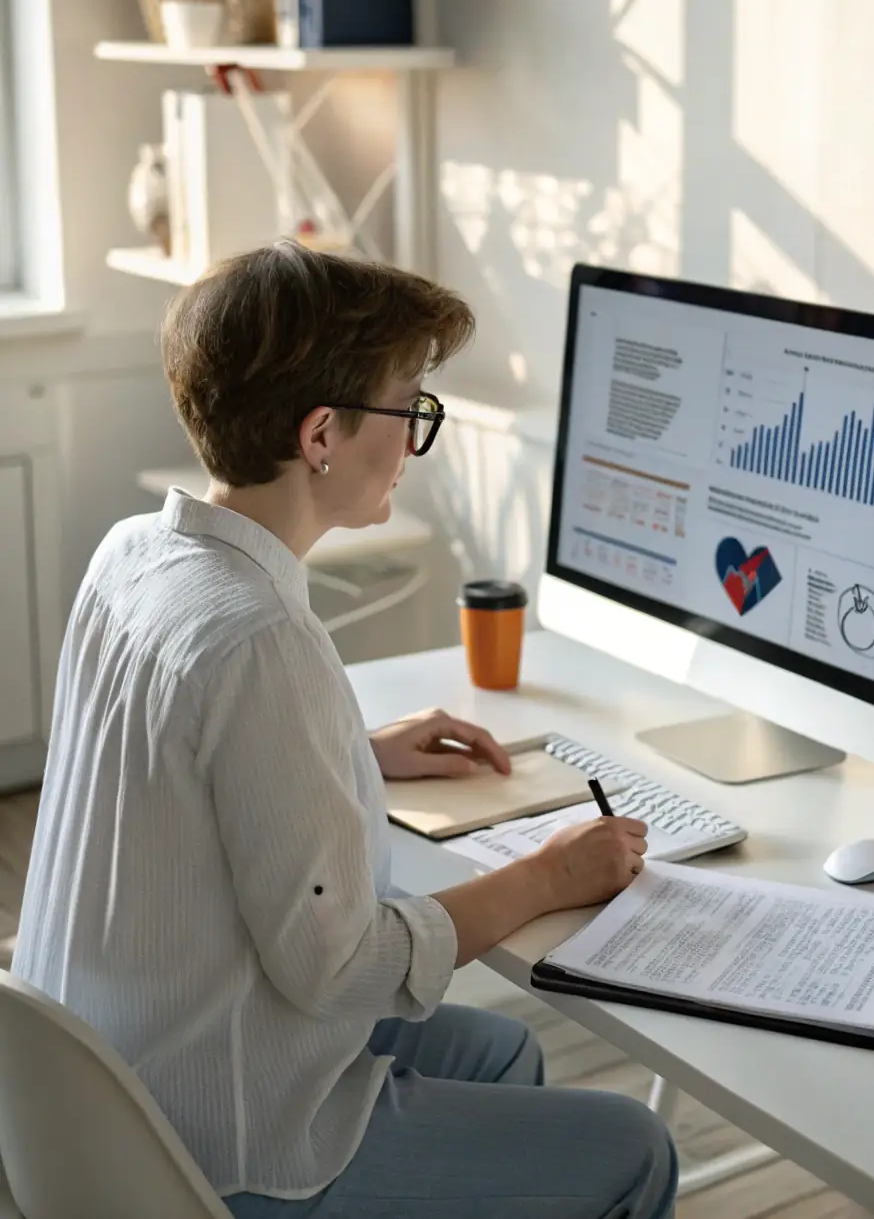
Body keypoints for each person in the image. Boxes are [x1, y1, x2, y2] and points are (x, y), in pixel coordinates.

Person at [12, 242, 677, 1219]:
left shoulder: (135, 554)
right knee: (632, 1149)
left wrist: (348, 757)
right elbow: (343, 965)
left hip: (91, 1094)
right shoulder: (263, 638)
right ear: (322, 435)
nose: (412, 444)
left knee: (504, 1051)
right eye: (409, 412)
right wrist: (550, 875)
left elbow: (167, 762)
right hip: (216, 1147)